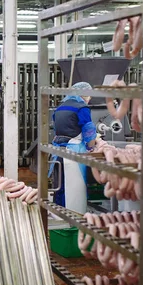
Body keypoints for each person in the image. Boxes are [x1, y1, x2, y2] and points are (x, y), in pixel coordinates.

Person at [48, 82, 97, 214]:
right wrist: (91, 146)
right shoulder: (82, 107)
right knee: (74, 190)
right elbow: (89, 130)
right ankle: (73, 218)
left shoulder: (60, 107)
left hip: (58, 152)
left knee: (60, 186)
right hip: (74, 153)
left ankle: (58, 214)